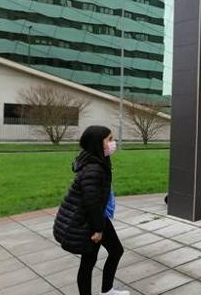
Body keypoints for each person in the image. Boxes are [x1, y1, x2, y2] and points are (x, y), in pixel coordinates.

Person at [53, 126, 128, 295]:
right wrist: (97, 229)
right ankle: (104, 291)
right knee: (89, 261)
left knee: (114, 251)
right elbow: (91, 202)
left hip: (96, 216)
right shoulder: (94, 168)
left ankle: (107, 290)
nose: (113, 143)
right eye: (109, 139)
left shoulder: (98, 159)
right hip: (88, 220)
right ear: (97, 143)